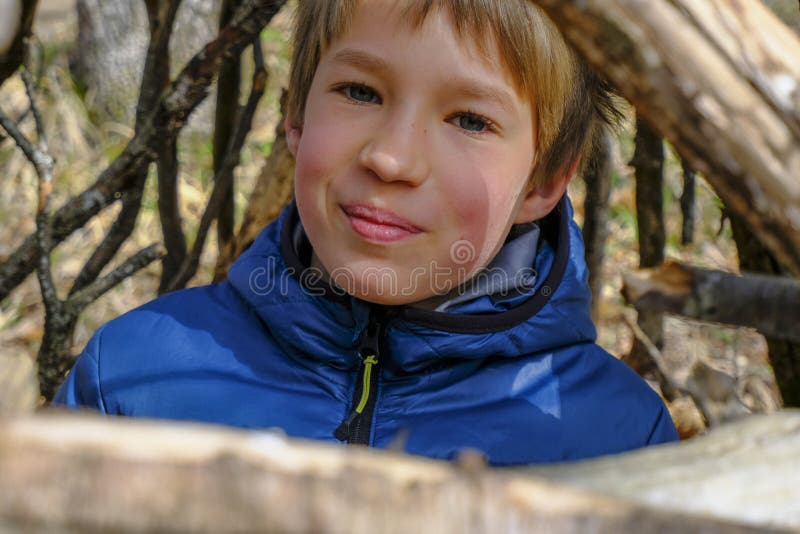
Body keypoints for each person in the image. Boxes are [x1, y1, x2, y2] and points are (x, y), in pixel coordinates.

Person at [55, 0, 678, 465]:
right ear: (295, 116)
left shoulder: (619, 440)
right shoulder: (134, 377)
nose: (392, 159)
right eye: (360, 91)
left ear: (543, 183)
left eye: (469, 120)